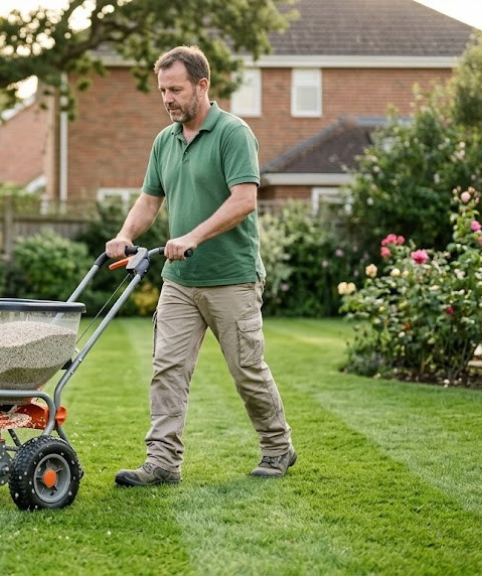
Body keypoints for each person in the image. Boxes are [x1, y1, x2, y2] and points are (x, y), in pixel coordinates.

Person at [106, 46, 295, 486]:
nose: (167, 99)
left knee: (247, 371)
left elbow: (244, 200)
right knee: (167, 368)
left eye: (175, 89)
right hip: (180, 281)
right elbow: (150, 199)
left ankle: (277, 448)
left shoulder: (233, 133)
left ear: (202, 85)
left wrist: (192, 235)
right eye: (162, 91)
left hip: (232, 277)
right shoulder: (164, 140)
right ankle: (162, 463)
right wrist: (126, 235)